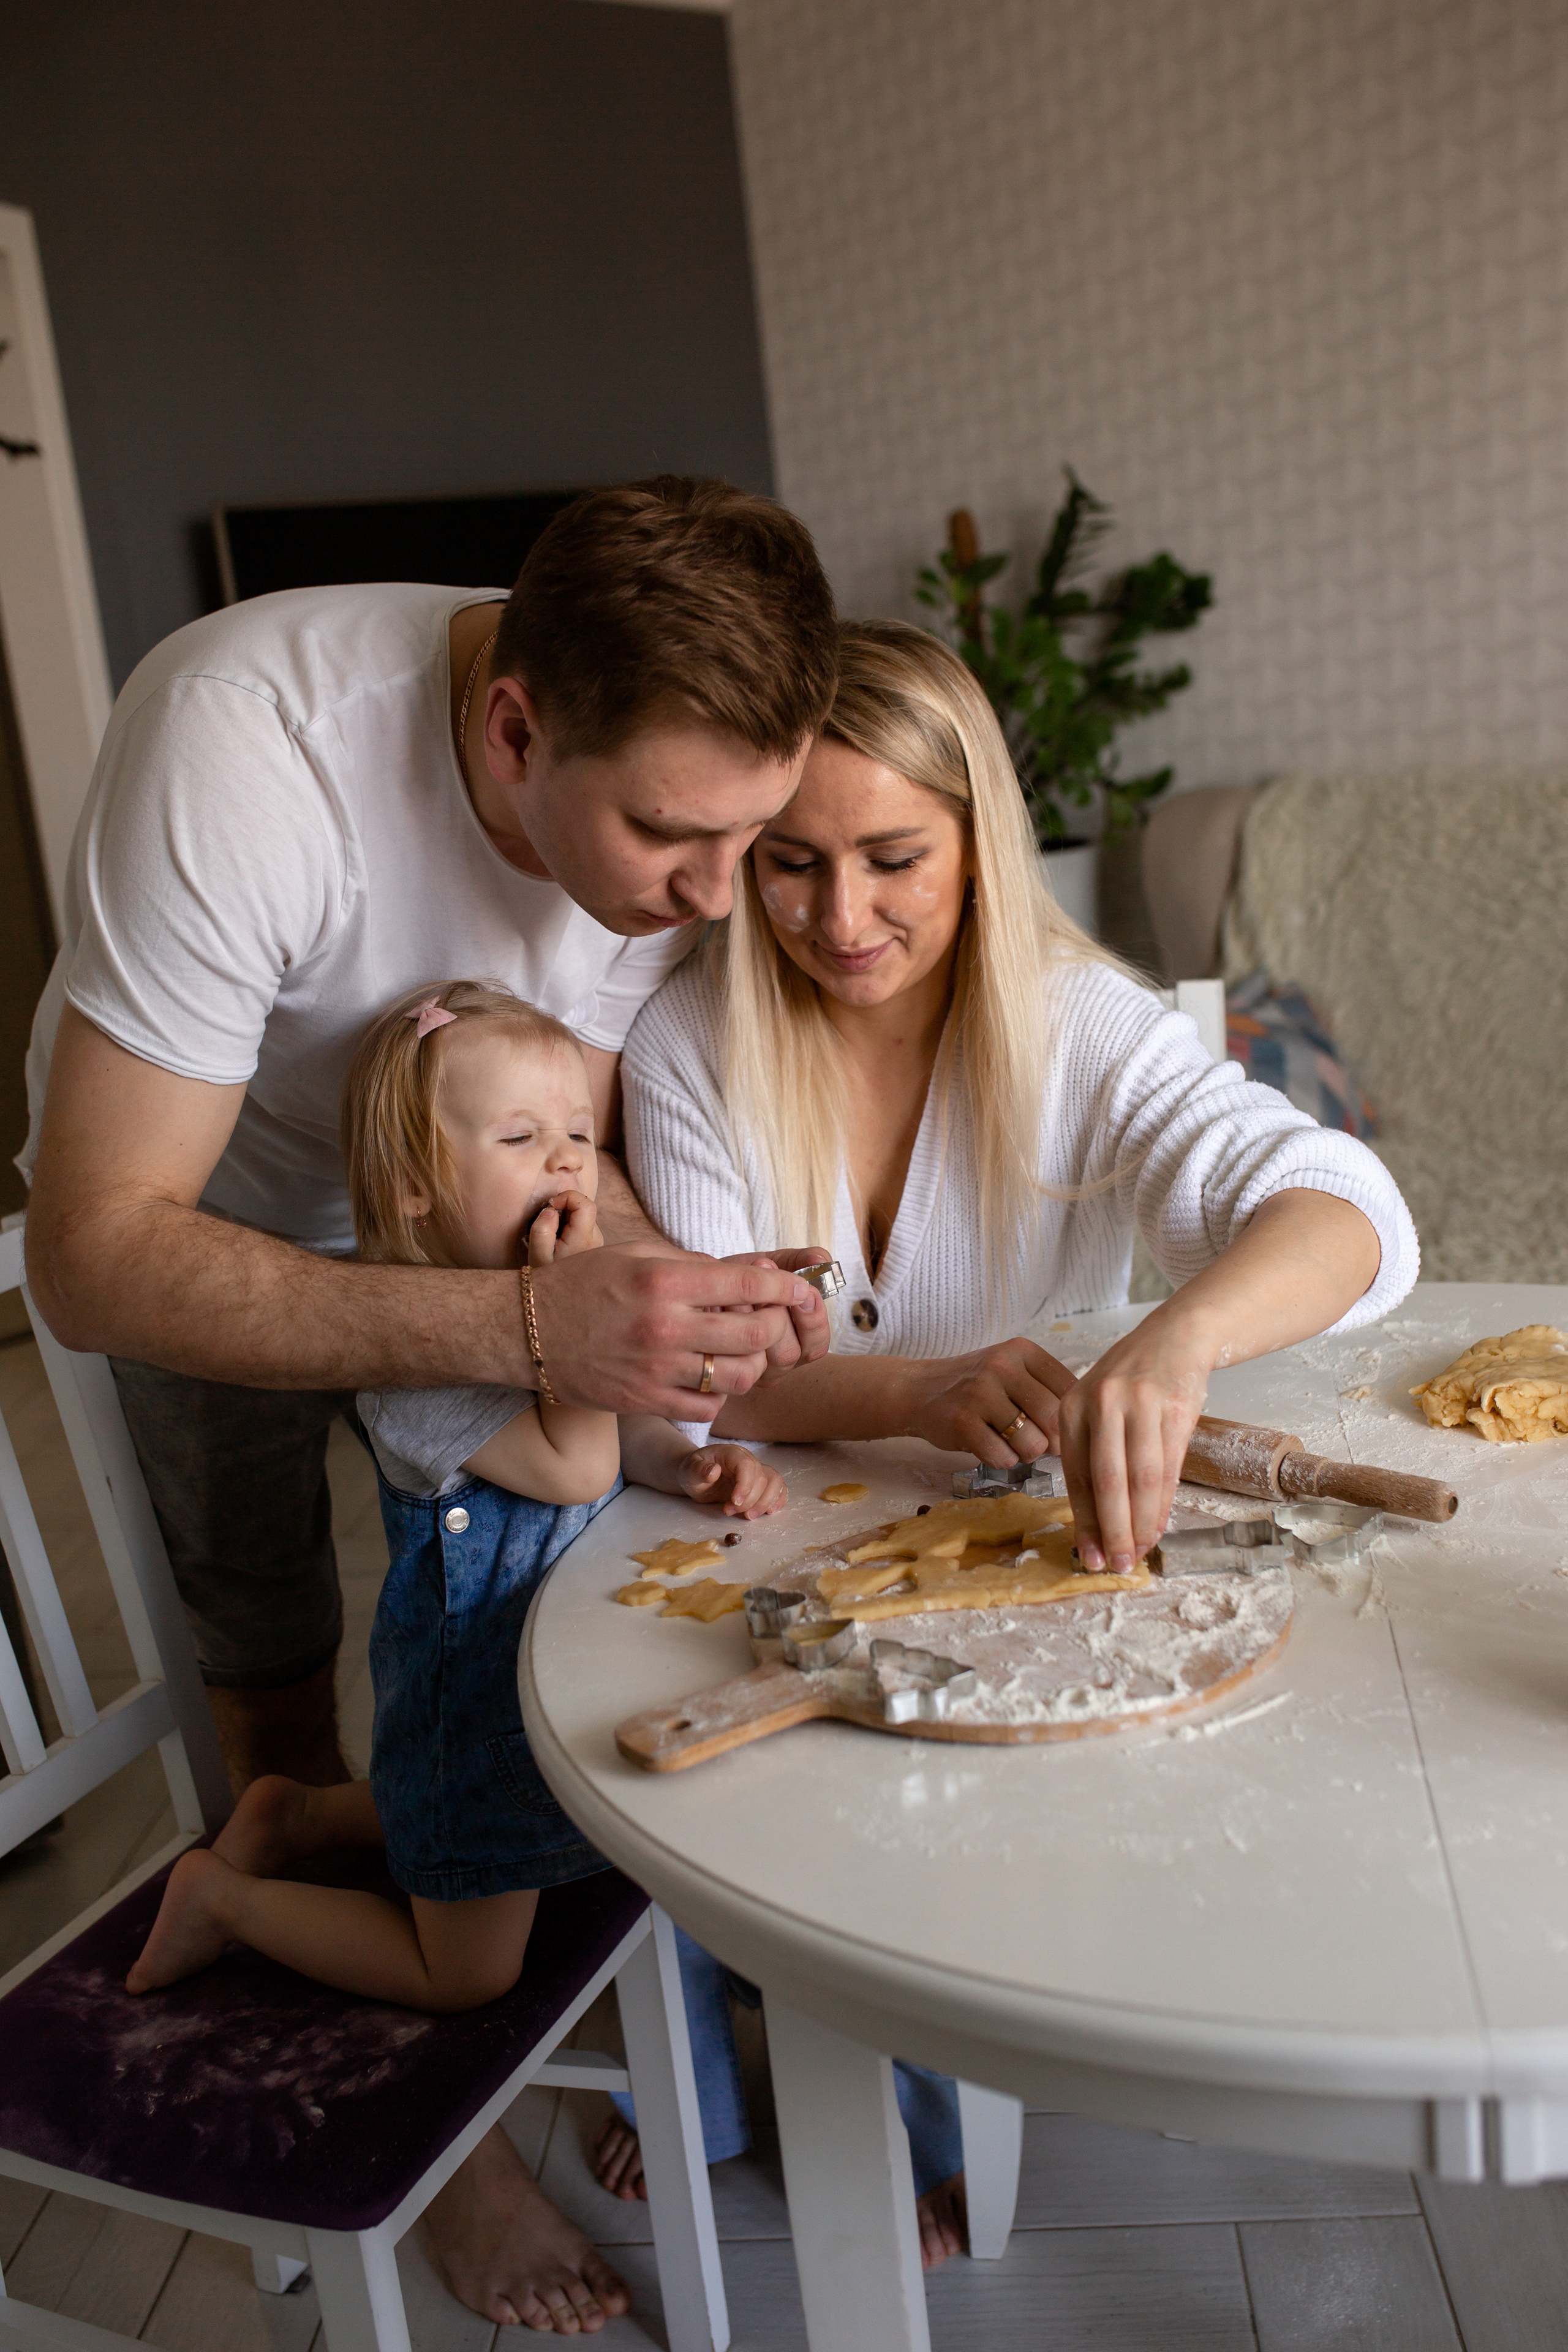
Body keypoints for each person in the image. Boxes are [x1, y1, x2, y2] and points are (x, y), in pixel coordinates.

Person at [20, 479, 838, 2334]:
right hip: (197, 1213)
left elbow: (577, 1170)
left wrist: (661, 1306)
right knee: (270, 1659)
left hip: (461, 1194)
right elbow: (94, 1257)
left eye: (749, 836)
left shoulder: (659, 802)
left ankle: (366, 1891)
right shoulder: (249, 747)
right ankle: (427, 2151)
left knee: (512, 1601)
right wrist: (525, 1325)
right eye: (670, 837)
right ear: (514, 728)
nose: (717, 899)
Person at [614, 617, 1420, 2265]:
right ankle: (751, 2055)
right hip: (742, 1519)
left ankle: (929, 2044)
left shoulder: (1080, 1026)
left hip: (1005, 1559)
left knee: (973, 1805)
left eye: (894, 859)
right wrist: (907, 1392)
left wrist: (1178, 1333)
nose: (842, 919)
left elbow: (1351, 1213)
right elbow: (697, 1383)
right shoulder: (689, 1038)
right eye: (790, 863)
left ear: (979, 838)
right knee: (692, 1767)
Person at [128, 983, 783, 2036]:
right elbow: (575, 1468)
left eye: (578, 1134)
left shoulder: (557, 1318)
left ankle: (296, 1814)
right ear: (414, 1187)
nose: (566, 1162)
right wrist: (579, 1309)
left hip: (554, 1688)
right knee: (465, 1973)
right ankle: (226, 1901)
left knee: (470, 1807)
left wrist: (684, 1462)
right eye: (520, 1138)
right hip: (474, 1715)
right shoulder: (410, 1371)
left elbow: (616, 1439)